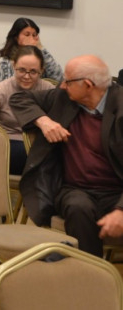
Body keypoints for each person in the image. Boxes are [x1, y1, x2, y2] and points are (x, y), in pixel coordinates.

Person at [11, 55, 123, 257]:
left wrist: (121, 210)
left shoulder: (120, 105)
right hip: (75, 190)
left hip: (117, 192)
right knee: (78, 207)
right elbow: (18, 99)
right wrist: (44, 122)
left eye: (68, 81)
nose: (62, 85)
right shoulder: (62, 98)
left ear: (87, 85)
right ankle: (90, 270)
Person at [0, 45, 54, 175]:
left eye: (33, 72)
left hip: (39, 143)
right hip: (9, 144)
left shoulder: (48, 90)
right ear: (14, 66)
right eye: (22, 70)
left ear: (41, 71)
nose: (26, 76)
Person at [0, 17, 63, 85]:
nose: (31, 39)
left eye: (34, 35)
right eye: (27, 35)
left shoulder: (40, 60)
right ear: (16, 37)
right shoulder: (3, 62)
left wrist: (41, 48)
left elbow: (59, 79)